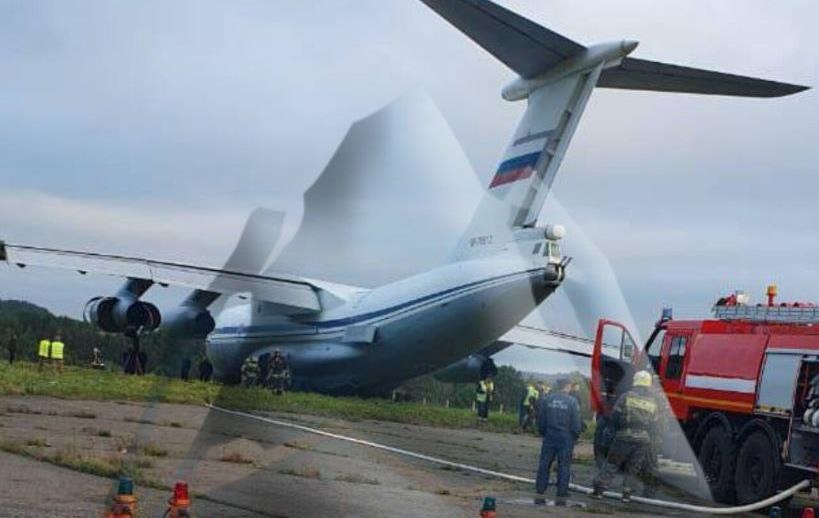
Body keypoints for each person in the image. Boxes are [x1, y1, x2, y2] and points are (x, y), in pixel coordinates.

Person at [593, 370, 659, 502]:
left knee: (612, 463)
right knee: (633, 467)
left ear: (635, 383)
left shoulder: (626, 397)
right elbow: (654, 425)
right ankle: (626, 495)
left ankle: (599, 491)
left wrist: (616, 430)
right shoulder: (653, 403)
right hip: (643, 439)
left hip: (624, 435)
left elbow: (615, 416)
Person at [534, 378, 582, 506]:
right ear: (567, 386)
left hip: (550, 435)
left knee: (544, 463)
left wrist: (544, 433)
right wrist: (575, 436)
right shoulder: (572, 401)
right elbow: (576, 423)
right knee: (564, 465)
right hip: (566, 438)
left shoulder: (547, 399)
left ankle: (540, 488)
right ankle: (561, 491)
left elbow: (541, 420)